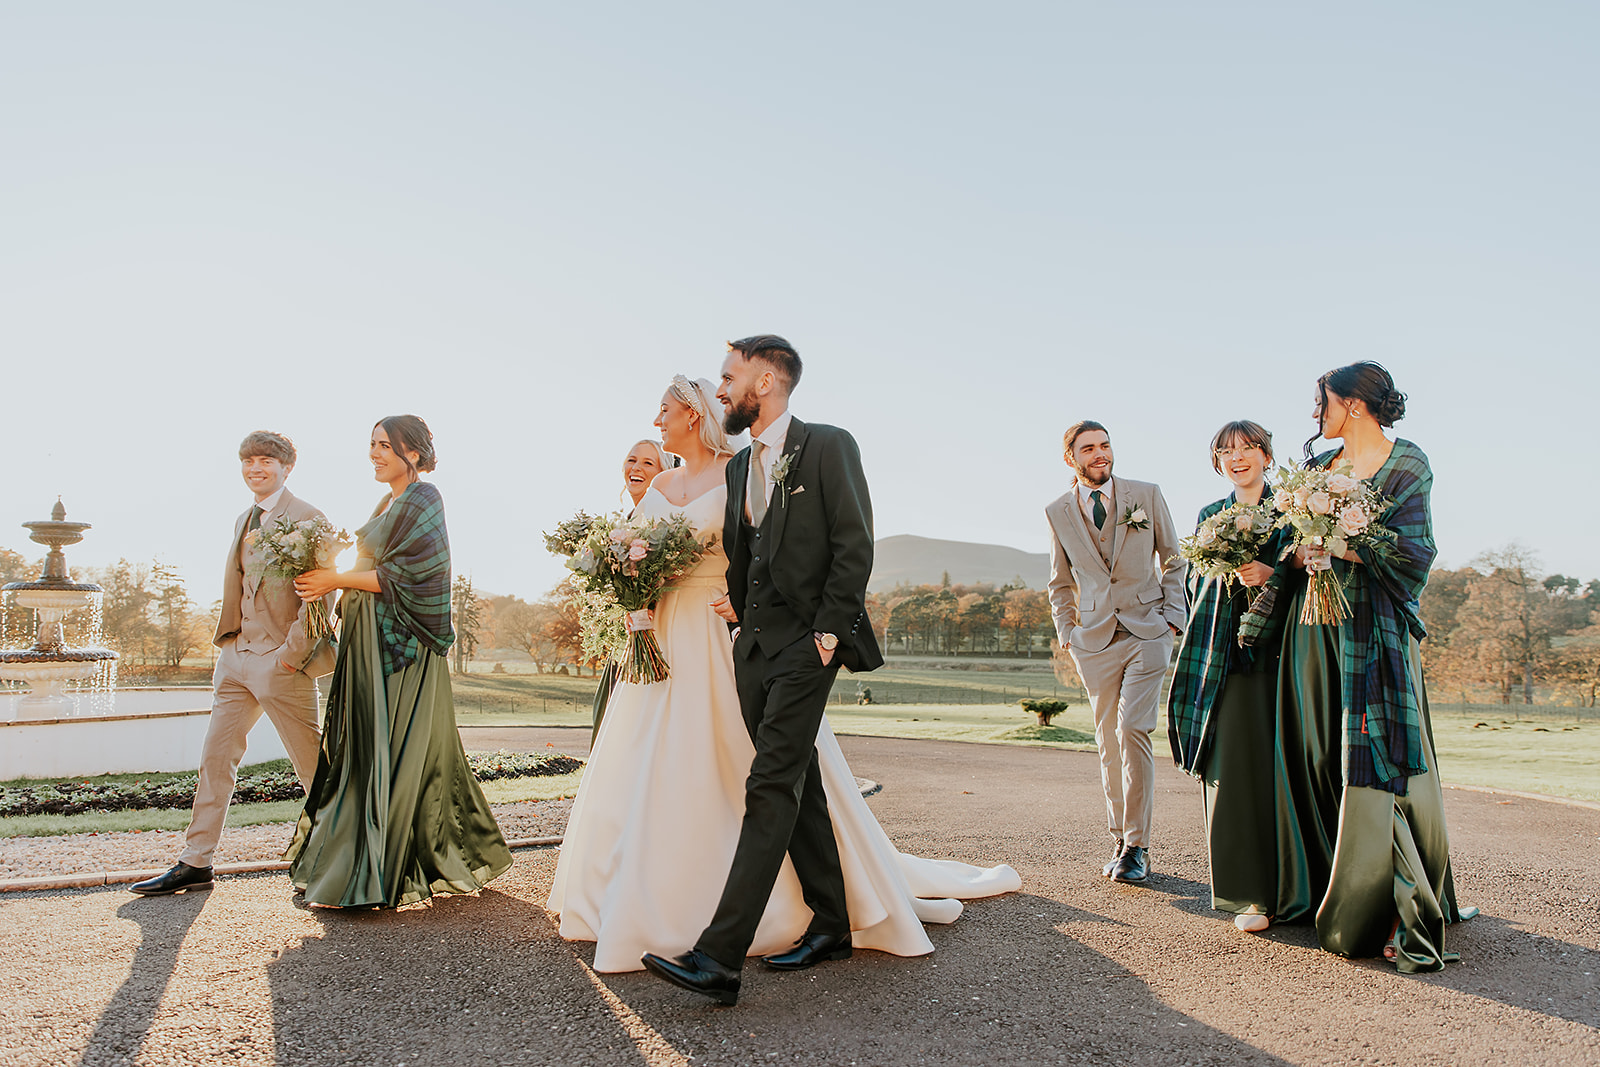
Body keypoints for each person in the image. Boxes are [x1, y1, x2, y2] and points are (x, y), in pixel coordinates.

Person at [552, 349, 1015, 1005]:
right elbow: (652, 560)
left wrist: (767, 612)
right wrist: (634, 593)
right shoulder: (660, 489)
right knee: (721, 772)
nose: (658, 419)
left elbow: (804, 550)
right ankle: (764, 918)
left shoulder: (766, 469)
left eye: (666, 408)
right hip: (672, 639)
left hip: (742, 641)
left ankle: (744, 940)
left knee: (771, 777)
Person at [1272, 363, 1471, 972]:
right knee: (1320, 757)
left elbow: (1417, 555)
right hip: (1312, 633)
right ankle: (1322, 887)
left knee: (1376, 754)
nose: (1315, 415)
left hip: (1374, 630)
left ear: (1353, 404)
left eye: (1322, 402)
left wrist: (1348, 542)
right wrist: (1304, 546)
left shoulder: (1408, 463)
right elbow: (1286, 543)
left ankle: (1395, 906)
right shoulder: (1316, 471)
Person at [284, 415, 511, 908]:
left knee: (401, 751)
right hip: (367, 639)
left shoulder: (425, 498)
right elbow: (373, 565)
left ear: (413, 451)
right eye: (372, 444)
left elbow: (416, 575)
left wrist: (335, 580)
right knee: (370, 749)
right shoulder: (387, 501)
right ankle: (358, 862)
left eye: (385, 445)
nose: (375, 453)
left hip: (403, 645)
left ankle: (376, 874)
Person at [132, 432, 337, 896]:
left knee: (312, 767)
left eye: (266, 461)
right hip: (235, 656)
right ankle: (195, 862)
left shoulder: (309, 518)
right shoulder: (246, 517)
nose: (255, 469)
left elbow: (323, 593)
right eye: (248, 461)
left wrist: (290, 657)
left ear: (287, 466)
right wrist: (230, 646)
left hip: (281, 662)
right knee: (215, 760)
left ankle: (338, 859)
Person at [1046, 421, 1186, 885]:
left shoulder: (1145, 495)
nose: (1100, 454)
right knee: (1108, 740)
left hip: (1149, 631)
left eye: (1105, 445)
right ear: (1072, 459)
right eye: (1089, 448)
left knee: (1132, 729)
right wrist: (1067, 632)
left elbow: (1174, 558)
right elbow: (1059, 581)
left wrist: (1171, 618)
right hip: (1093, 640)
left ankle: (1137, 845)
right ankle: (1120, 837)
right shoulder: (1057, 511)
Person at [1166, 421, 1287, 933]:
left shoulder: (1292, 509)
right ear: (1217, 461)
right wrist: (1224, 572)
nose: (1238, 457)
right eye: (1226, 450)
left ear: (1265, 455)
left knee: (1286, 772)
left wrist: (1272, 574)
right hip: (1228, 657)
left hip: (1286, 657)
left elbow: (1314, 569)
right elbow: (1196, 582)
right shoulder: (1209, 516)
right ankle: (1248, 893)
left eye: (1248, 448)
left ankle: (1303, 889)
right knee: (1233, 768)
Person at [591, 439, 677, 745]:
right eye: (632, 460)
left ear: (665, 472)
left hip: (658, 634)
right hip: (626, 638)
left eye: (648, 463)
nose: (636, 468)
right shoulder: (624, 522)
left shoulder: (664, 519)